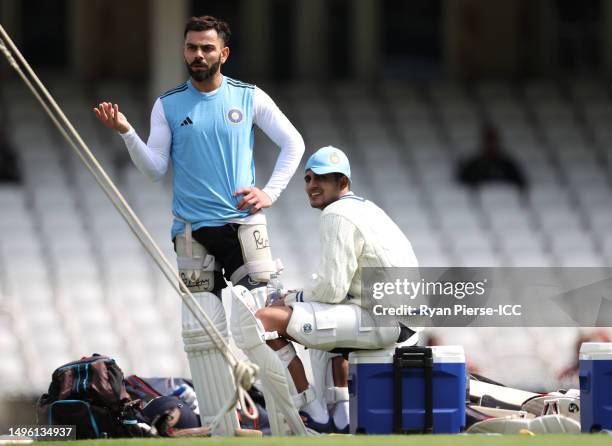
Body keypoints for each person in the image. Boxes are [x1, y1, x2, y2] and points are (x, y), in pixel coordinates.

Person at [93, 16, 305, 436]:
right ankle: (220, 429)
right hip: (191, 231)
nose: (198, 55)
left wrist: (270, 192)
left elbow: (293, 142)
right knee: (200, 334)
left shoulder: (248, 97)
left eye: (207, 48)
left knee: (262, 327)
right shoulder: (168, 104)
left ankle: (299, 419)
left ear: (223, 54)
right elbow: (154, 169)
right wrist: (127, 132)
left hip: (242, 227)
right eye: (192, 47)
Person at [230, 146, 419, 434]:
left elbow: (332, 288)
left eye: (323, 179)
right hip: (398, 317)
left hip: (387, 319)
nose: (312, 186)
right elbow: (338, 289)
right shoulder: (365, 207)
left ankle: (310, 410)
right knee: (321, 329)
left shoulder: (337, 214)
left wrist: (291, 298)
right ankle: (341, 415)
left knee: (263, 320)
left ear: (342, 183)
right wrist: (299, 298)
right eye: (308, 178)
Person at [457, 123, 527, 191]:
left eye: (493, 141)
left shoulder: (507, 164)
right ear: (484, 143)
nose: (491, 145)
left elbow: (521, 182)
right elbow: (462, 183)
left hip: (504, 198)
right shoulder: (474, 164)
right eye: (489, 142)